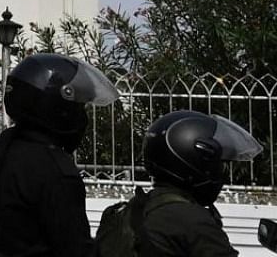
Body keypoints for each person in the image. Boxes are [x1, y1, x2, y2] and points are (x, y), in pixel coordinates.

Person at [0, 52, 119, 257]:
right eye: (78, 106)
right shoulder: (54, 170)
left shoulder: (5, 149)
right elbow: (75, 249)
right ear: (60, 107)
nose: (81, 116)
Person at [106, 110, 261, 256]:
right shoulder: (193, 222)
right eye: (220, 164)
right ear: (196, 161)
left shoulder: (125, 212)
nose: (222, 172)